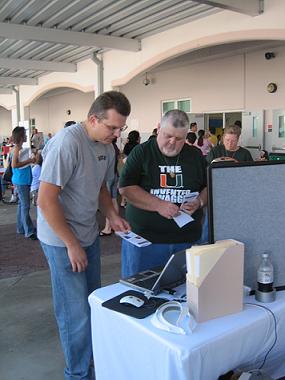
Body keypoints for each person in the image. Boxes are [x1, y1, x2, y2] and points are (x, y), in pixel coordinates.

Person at [37, 91, 131, 380]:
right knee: (74, 314)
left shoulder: (104, 146)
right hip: (62, 240)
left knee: (91, 304)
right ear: (93, 119)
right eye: (112, 127)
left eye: (120, 128)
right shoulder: (67, 144)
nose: (116, 134)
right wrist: (71, 244)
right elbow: (46, 200)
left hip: (87, 235)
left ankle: (90, 363)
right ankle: (77, 374)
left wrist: (113, 215)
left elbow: (101, 187)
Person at [119, 109, 207, 278]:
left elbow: (208, 186)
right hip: (145, 242)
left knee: (185, 296)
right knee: (140, 293)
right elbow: (126, 188)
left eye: (179, 138)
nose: (172, 142)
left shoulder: (195, 155)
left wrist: (199, 202)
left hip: (186, 241)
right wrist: (158, 205)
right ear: (158, 128)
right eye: (167, 135)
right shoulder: (142, 152)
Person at [11, 126, 37, 240]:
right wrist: (29, 161)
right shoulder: (17, 148)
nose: (27, 136)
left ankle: (21, 228)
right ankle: (29, 230)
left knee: (22, 205)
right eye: (25, 135)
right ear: (21, 137)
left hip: (22, 180)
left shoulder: (19, 148)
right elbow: (14, 165)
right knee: (25, 206)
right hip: (21, 181)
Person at [99, 138, 120, 236]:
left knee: (107, 200)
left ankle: (108, 227)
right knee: (114, 199)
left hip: (108, 177)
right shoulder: (115, 147)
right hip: (115, 175)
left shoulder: (107, 148)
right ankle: (114, 225)